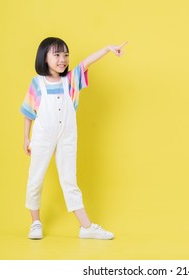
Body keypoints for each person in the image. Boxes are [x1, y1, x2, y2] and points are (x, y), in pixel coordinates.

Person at [20, 37, 127, 240]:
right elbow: (28, 113)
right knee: (35, 179)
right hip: (42, 137)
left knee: (69, 180)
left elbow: (87, 62)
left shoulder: (70, 81)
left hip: (67, 137)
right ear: (44, 58)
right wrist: (26, 138)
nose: (63, 59)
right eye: (57, 54)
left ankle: (86, 227)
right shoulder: (37, 83)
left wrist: (107, 48)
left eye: (66, 55)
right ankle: (35, 223)